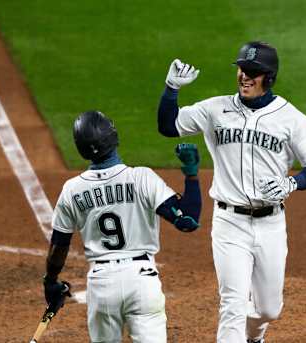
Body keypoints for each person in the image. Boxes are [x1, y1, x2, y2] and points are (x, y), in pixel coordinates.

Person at [157, 41, 306, 343]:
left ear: (269, 77)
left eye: (253, 72)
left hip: (271, 225)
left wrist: (292, 183)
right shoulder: (215, 109)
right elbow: (168, 125)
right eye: (242, 69)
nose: (244, 77)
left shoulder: (292, 119)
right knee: (233, 306)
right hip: (229, 224)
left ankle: (255, 336)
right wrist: (171, 88)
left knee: (268, 309)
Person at [42, 110, 202, 343]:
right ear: (112, 136)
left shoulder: (71, 190)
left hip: (101, 284)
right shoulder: (141, 178)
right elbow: (188, 221)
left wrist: (51, 280)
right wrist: (191, 173)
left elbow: (59, 246)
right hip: (142, 280)